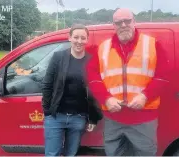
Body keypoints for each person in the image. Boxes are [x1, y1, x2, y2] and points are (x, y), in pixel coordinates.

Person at [86, 8, 170, 156]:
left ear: (134, 22)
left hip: (143, 118)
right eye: (119, 22)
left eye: (127, 21)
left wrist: (145, 96)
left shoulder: (152, 45)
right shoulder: (103, 48)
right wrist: (106, 98)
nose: (123, 25)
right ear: (113, 25)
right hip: (113, 118)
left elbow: (164, 76)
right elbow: (93, 78)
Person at [41, 24, 103, 156]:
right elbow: (47, 85)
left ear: (87, 39)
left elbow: (95, 91)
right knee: (52, 154)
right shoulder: (58, 57)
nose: (79, 41)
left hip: (78, 118)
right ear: (69, 38)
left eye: (83, 38)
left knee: (71, 154)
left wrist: (93, 118)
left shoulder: (92, 61)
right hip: (56, 116)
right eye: (76, 37)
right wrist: (47, 111)